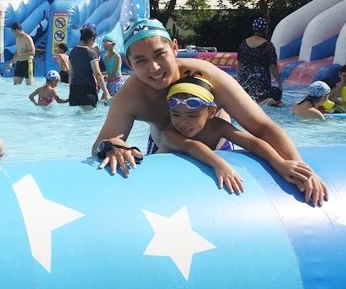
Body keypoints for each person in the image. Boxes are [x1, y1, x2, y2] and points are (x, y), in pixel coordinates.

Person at [92, 18, 328, 207]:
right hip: (168, 145)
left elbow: (262, 127)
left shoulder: (209, 76)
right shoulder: (131, 96)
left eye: (159, 54)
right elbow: (101, 144)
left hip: (218, 142)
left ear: (174, 48)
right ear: (129, 64)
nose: (153, 68)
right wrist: (112, 147)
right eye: (140, 61)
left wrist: (299, 168)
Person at [159, 72, 313, 195]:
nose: (183, 122)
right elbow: (192, 147)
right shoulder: (169, 133)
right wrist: (220, 164)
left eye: (192, 116)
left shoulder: (218, 126)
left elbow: (252, 143)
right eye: (175, 114)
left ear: (211, 111)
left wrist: (279, 163)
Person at [237, 18, 282, 102]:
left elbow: (240, 62)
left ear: (254, 28)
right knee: (264, 99)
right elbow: (273, 66)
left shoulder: (244, 43)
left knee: (247, 98)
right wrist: (279, 82)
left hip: (245, 78)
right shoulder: (268, 45)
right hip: (261, 80)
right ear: (265, 30)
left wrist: (239, 78)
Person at [68, 26, 110, 109]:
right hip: (88, 89)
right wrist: (106, 93)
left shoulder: (72, 53)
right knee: (89, 117)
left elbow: (71, 75)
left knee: (78, 118)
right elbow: (97, 74)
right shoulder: (91, 53)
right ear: (91, 39)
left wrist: (71, 91)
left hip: (74, 89)